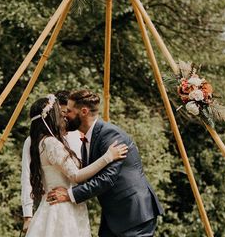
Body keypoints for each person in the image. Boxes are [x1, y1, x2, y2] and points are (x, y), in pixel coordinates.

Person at [47, 89, 163, 237]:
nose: (65, 115)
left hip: (134, 214)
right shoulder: (87, 141)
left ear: (83, 111)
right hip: (113, 216)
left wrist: (69, 195)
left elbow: (106, 179)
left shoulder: (110, 135)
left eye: (69, 111)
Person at [25, 94, 128, 237]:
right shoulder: (51, 143)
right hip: (63, 209)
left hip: (51, 206)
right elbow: (76, 175)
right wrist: (108, 157)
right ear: (51, 117)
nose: (65, 117)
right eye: (61, 114)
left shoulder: (40, 143)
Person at [21, 90, 82, 233]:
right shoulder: (33, 141)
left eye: (67, 113)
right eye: (61, 112)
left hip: (76, 203)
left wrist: (73, 194)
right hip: (52, 204)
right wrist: (27, 216)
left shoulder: (77, 136)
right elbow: (27, 175)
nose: (64, 117)